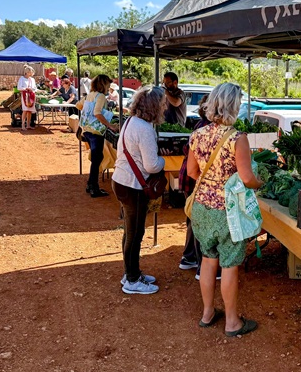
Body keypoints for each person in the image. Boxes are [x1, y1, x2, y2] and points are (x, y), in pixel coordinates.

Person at [187, 82, 264, 337]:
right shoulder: (237, 138)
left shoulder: (197, 134)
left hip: (201, 209)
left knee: (208, 260)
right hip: (227, 212)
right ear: (234, 105)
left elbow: (191, 172)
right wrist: (260, 182)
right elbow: (246, 179)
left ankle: (207, 313)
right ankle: (232, 322)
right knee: (229, 265)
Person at [112, 86, 167, 295]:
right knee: (135, 233)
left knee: (130, 231)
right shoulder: (144, 128)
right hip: (133, 186)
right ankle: (132, 280)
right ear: (154, 106)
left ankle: (131, 272)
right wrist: (164, 160)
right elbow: (152, 165)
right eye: (162, 104)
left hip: (122, 181)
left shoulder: (131, 121)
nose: (164, 108)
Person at [178, 95, 211, 275]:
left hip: (189, 179)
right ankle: (201, 265)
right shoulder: (206, 129)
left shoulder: (200, 125)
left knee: (193, 220)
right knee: (200, 222)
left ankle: (189, 257)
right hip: (195, 180)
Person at [81, 75, 119, 197]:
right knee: (97, 159)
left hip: (86, 130)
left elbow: (78, 105)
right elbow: (97, 113)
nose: (109, 88)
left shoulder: (90, 94)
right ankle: (94, 188)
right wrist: (110, 125)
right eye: (108, 85)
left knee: (96, 158)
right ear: (103, 85)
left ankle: (90, 184)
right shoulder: (101, 96)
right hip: (96, 131)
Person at [17, 65, 38, 130]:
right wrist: (26, 88)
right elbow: (19, 88)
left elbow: (35, 88)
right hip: (25, 95)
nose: (32, 73)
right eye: (31, 72)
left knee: (29, 111)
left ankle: (28, 125)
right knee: (25, 110)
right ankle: (23, 125)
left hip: (31, 95)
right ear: (28, 72)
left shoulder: (32, 79)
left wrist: (33, 90)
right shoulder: (22, 79)